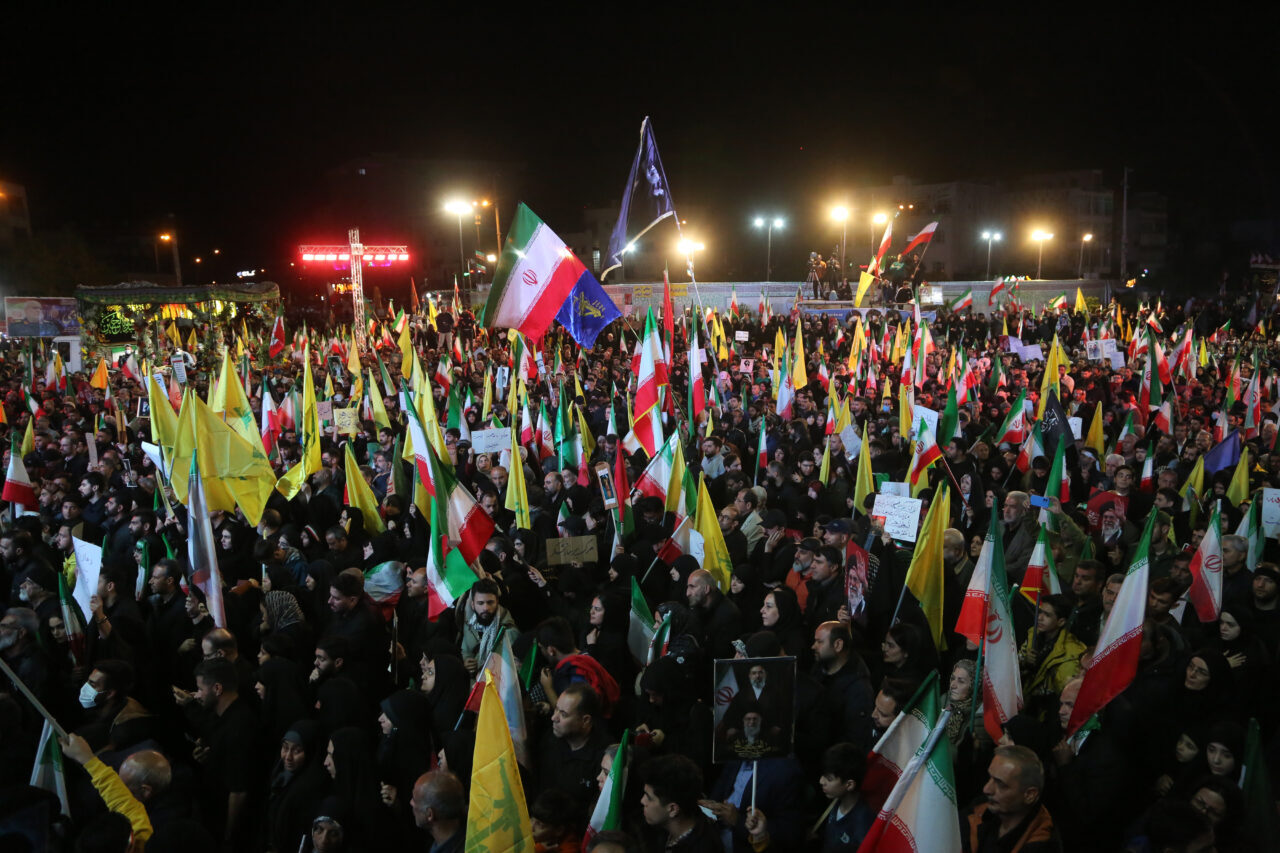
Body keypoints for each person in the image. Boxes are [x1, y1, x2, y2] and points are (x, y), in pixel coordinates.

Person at [962, 745, 1060, 852]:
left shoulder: (1042, 846)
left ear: (1029, 795)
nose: (986, 789)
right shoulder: (980, 809)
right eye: (990, 778)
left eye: (1000, 784)